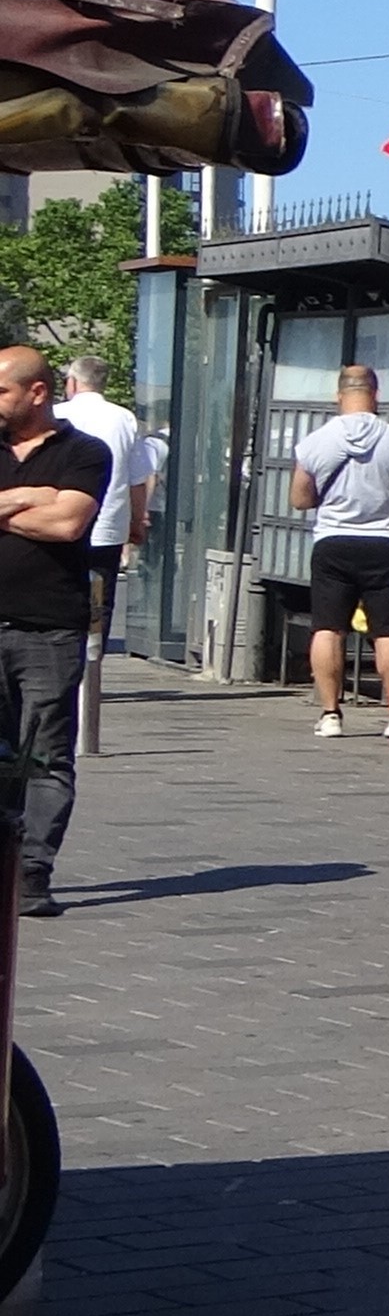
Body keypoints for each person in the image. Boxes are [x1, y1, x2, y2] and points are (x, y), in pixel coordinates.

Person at [0, 350, 107, 919]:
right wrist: (32, 496)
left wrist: (8, 506)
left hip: (49, 629)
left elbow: (68, 523)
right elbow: (52, 510)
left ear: (37, 392)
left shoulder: (83, 451)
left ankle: (32, 872)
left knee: (43, 755)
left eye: (1, 392)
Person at [293, 365, 389, 740]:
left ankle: (331, 714)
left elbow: (299, 498)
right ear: (375, 394)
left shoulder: (315, 442)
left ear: (339, 395)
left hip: (333, 542)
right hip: (387, 543)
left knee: (328, 627)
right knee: (388, 632)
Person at [54, 357, 152, 664]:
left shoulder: (56, 415)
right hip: (108, 524)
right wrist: (138, 520)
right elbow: (138, 479)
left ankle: (63, 663)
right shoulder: (124, 418)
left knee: (59, 594)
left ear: (72, 382)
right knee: (99, 600)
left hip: (59, 523)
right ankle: (92, 666)